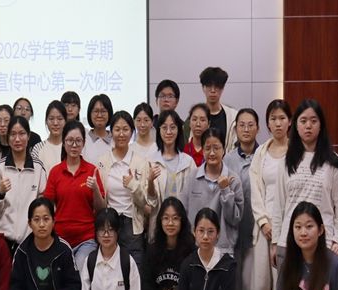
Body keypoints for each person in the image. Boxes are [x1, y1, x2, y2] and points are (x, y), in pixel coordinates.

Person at [271, 99, 338, 269]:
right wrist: (275, 241)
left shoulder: (333, 161)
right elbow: (279, 205)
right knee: (287, 287)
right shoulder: (286, 161)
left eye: (314, 121)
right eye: (303, 121)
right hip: (288, 243)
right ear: (296, 125)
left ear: (321, 126)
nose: (308, 126)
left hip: (322, 244)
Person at [247, 99, 291, 290]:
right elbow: (256, 190)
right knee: (260, 287)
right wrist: (264, 223)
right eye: (273, 118)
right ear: (268, 123)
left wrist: (283, 228)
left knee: (285, 287)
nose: (277, 123)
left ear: (289, 121)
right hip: (263, 228)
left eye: (282, 118)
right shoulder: (261, 153)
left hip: (290, 229)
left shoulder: (297, 152)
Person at [43, 120, 105, 271]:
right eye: (70, 140)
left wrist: (95, 189)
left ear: (84, 143)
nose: (74, 145)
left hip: (86, 239)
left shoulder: (91, 170)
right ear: (64, 142)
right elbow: (47, 205)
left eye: (78, 141)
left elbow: (102, 209)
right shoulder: (55, 172)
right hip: (60, 238)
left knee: (78, 270)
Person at [97, 111, 153, 269]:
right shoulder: (102, 162)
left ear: (132, 132)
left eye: (125, 129)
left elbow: (145, 203)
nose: (121, 134)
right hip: (109, 223)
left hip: (132, 224)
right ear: (111, 132)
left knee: (134, 270)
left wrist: (133, 185)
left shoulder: (141, 162)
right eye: (117, 129)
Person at [223, 108, 260, 290]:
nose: (246, 129)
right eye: (241, 125)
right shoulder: (227, 160)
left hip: (256, 232)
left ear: (258, 128)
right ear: (235, 129)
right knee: (234, 288)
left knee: (253, 288)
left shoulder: (264, 156)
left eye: (250, 125)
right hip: (231, 231)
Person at [181, 128, 244, 257]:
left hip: (224, 250)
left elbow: (235, 219)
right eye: (207, 148)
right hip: (196, 248)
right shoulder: (193, 177)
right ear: (202, 150)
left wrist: (225, 190)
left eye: (216, 148)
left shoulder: (233, 180)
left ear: (224, 150)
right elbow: (183, 212)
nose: (212, 153)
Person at [0, 116, 47, 253]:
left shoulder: (38, 168)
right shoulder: (0, 168)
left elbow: (44, 205)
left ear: (28, 136)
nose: (17, 139)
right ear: (8, 138)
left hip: (30, 241)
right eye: (13, 134)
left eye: (22, 134)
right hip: (2, 241)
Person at [147, 110, 196, 242]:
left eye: (173, 127)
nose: (168, 132)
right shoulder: (151, 161)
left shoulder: (188, 162)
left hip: (184, 225)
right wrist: (150, 181)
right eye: (164, 128)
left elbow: (193, 198)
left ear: (179, 130)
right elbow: (151, 202)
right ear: (158, 130)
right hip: (159, 226)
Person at [199, 67, 238, 152]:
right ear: (203, 87)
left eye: (217, 86)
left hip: (227, 159)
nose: (213, 90)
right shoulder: (195, 116)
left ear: (222, 88)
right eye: (209, 86)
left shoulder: (233, 117)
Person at [31, 100, 67, 172]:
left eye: (60, 119)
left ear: (65, 121)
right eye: (51, 119)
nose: (55, 123)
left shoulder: (71, 147)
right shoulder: (38, 149)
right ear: (46, 121)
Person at [82, 94, 114, 165]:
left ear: (109, 113)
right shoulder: (83, 138)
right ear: (90, 114)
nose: (99, 115)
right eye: (96, 111)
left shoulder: (116, 139)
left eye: (103, 111)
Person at [153, 80, 183, 149]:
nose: (166, 100)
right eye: (162, 96)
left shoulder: (182, 127)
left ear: (177, 102)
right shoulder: (150, 125)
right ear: (156, 101)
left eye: (170, 96)